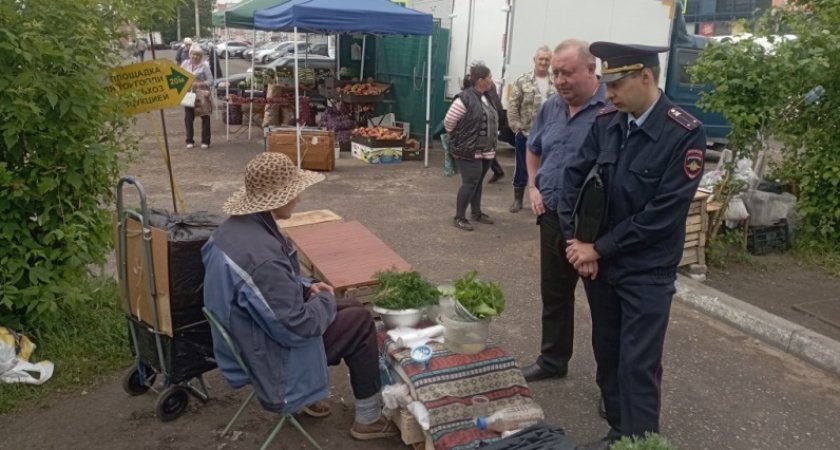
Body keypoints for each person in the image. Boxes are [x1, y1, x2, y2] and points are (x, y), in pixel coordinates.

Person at [559, 42, 706, 449]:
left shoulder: (684, 133)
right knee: (607, 356)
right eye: (606, 84)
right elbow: (573, 178)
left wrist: (599, 248)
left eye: (618, 84)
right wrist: (577, 243)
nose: (608, 94)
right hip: (599, 266)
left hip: (646, 270)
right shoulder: (608, 120)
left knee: (637, 366)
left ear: (646, 77)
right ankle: (619, 434)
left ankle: (638, 442)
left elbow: (663, 214)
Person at [202, 152, 400, 441]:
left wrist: (306, 286)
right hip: (262, 352)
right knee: (359, 322)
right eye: (294, 192)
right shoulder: (262, 256)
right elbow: (297, 327)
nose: (299, 198)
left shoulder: (233, 229)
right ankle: (367, 419)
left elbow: (263, 289)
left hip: (243, 332)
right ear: (278, 198)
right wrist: (323, 300)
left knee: (352, 305)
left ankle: (311, 399)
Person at [519, 40, 607, 383]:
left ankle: (610, 384)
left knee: (603, 307)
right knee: (554, 295)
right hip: (553, 215)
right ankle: (553, 360)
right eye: (555, 73)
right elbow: (534, 147)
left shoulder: (609, 110)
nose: (559, 80)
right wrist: (533, 186)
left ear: (590, 69)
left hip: (592, 226)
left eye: (567, 73)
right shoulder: (551, 107)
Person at [444, 63, 499, 231]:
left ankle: (476, 212)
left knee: (478, 182)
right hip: (468, 150)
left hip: (486, 150)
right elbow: (449, 122)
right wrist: (458, 137)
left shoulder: (486, 96)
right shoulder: (464, 98)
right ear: (480, 80)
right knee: (470, 182)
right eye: (489, 78)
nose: (491, 81)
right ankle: (459, 217)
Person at [506, 45, 556, 213]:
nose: (543, 62)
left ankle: (543, 200)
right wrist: (516, 128)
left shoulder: (556, 81)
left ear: (551, 62)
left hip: (550, 134)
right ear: (534, 60)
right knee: (522, 167)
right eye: (540, 59)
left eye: (547, 59)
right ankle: (517, 200)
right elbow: (513, 105)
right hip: (526, 133)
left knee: (547, 168)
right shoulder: (522, 80)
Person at [180, 46, 213, 149]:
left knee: (205, 117)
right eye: (193, 54)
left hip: (201, 95)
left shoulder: (205, 66)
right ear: (190, 54)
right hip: (189, 94)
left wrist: (200, 84)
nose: (195, 56)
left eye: (197, 55)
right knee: (188, 118)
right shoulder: (185, 64)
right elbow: (179, 77)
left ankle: (205, 141)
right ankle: (189, 140)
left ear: (201, 56)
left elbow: (211, 81)